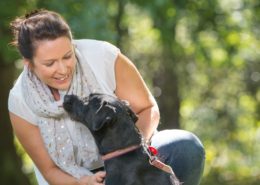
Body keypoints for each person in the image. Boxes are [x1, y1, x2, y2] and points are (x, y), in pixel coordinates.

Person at [8, 9, 205, 185]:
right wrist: (84, 182)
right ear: (29, 63)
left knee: (184, 147)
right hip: (75, 179)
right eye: (50, 63)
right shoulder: (19, 101)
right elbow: (49, 171)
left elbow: (148, 109)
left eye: (68, 56)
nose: (62, 69)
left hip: (131, 158)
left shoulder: (102, 56)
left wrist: (132, 154)